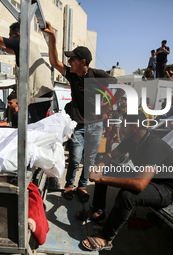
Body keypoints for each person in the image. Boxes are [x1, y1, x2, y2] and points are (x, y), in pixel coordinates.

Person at [41, 21, 124, 202]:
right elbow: (54, 62)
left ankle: (83, 186)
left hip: (95, 125)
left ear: (82, 62)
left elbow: (123, 88)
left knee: (90, 158)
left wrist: (108, 106)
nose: (69, 61)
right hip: (77, 123)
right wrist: (52, 37)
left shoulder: (98, 75)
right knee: (76, 157)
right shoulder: (72, 74)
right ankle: (70, 184)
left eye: (72, 59)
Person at [81, 111, 173, 251]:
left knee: (127, 195)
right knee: (104, 169)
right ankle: (98, 212)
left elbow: (139, 185)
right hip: (145, 177)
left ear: (135, 126)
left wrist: (102, 178)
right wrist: (100, 167)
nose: (121, 129)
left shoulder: (154, 145)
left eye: (124, 125)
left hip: (165, 188)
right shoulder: (131, 141)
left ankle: (106, 238)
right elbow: (110, 155)